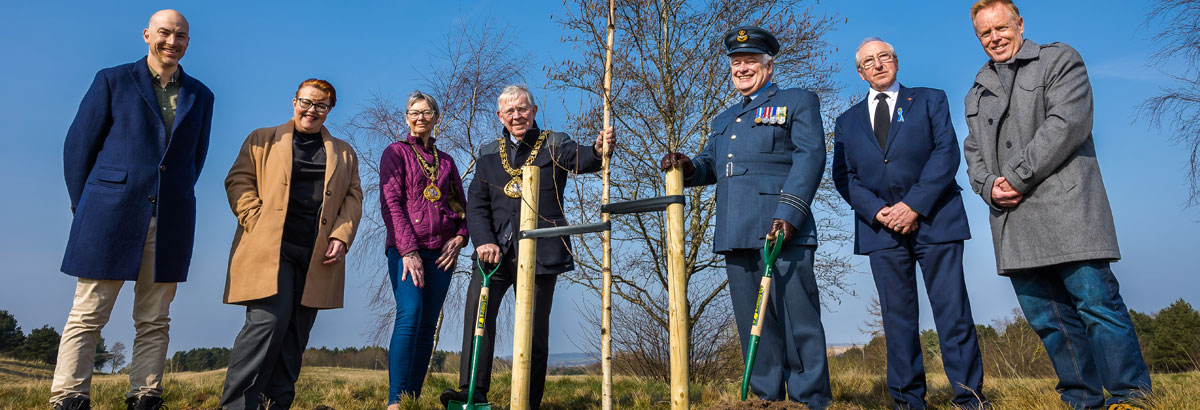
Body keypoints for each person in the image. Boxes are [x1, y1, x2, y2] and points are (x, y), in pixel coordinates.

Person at [963, 1, 1151, 409]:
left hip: (1068, 212)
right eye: (985, 33)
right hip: (1013, 220)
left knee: (1098, 307)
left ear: (1020, 24)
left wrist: (1014, 177)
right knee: (1049, 321)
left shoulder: (1060, 60)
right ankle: (1081, 398)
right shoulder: (975, 90)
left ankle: (1130, 397)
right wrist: (986, 185)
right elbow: (973, 151)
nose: (994, 38)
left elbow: (1067, 124)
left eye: (1001, 28)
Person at [660, 26, 830, 409]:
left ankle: (808, 399)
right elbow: (711, 166)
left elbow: (810, 157)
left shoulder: (796, 101)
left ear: (768, 66)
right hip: (735, 230)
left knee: (796, 319)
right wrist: (688, 168)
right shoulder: (725, 119)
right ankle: (765, 398)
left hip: (781, 229)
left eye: (750, 61)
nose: (741, 69)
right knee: (753, 325)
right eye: (736, 63)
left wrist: (789, 213)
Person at [51, 9, 214, 410]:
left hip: (169, 217)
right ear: (147, 35)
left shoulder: (201, 95)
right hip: (109, 214)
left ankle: (144, 395)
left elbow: (195, 160)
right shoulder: (112, 80)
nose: (171, 42)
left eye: (180, 36)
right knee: (88, 312)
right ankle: (69, 396)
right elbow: (78, 148)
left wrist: (171, 198)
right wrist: (86, 203)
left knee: (155, 318)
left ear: (188, 42)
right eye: (164, 33)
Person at [832, 37, 988, 410]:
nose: (878, 64)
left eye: (884, 57)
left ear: (896, 62)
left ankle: (969, 399)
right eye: (869, 61)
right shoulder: (846, 121)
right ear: (860, 72)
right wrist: (879, 212)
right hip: (880, 231)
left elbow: (945, 153)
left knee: (952, 313)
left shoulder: (930, 99)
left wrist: (913, 206)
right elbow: (844, 176)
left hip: (936, 221)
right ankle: (907, 401)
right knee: (897, 320)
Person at [439, 85, 615, 409]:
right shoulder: (488, 152)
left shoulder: (554, 143)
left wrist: (599, 149)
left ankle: (528, 401)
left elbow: (584, 160)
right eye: (510, 111)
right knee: (478, 317)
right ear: (500, 117)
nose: (517, 115)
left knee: (533, 331)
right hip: (495, 256)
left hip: (541, 252)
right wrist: (484, 242)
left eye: (523, 109)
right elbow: (476, 205)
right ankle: (472, 390)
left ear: (533, 111)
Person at [219, 78, 363, 410]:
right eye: (306, 102)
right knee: (266, 325)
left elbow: (354, 198)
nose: (311, 110)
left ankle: (277, 403)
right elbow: (238, 180)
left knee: (295, 335)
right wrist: (255, 217)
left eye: (320, 105)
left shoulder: (344, 152)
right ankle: (237, 406)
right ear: (294, 101)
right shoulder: (262, 138)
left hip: (316, 255)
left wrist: (341, 236)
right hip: (270, 250)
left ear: (329, 110)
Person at [380, 91, 468, 407]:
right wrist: (408, 250)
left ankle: (412, 400)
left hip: (441, 255)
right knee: (410, 314)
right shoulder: (396, 153)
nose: (420, 117)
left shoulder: (446, 162)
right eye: (414, 112)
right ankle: (396, 402)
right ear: (406, 118)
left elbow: (459, 204)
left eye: (426, 112)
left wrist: (461, 237)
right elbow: (391, 204)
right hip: (406, 251)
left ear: (435, 118)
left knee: (428, 325)